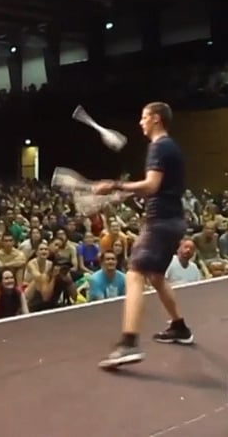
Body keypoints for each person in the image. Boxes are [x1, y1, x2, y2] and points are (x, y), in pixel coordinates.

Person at [92, 102, 193, 369]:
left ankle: (128, 343)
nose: (140, 122)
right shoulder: (171, 147)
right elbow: (159, 187)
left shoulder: (158, 147)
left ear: (156, 119)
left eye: (144, 117)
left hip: (160, 222)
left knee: (135, 272)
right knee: (156, 275)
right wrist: (122, 192)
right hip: (174, 220)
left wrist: (115, 185)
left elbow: (151, 186)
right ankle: (180, 327)